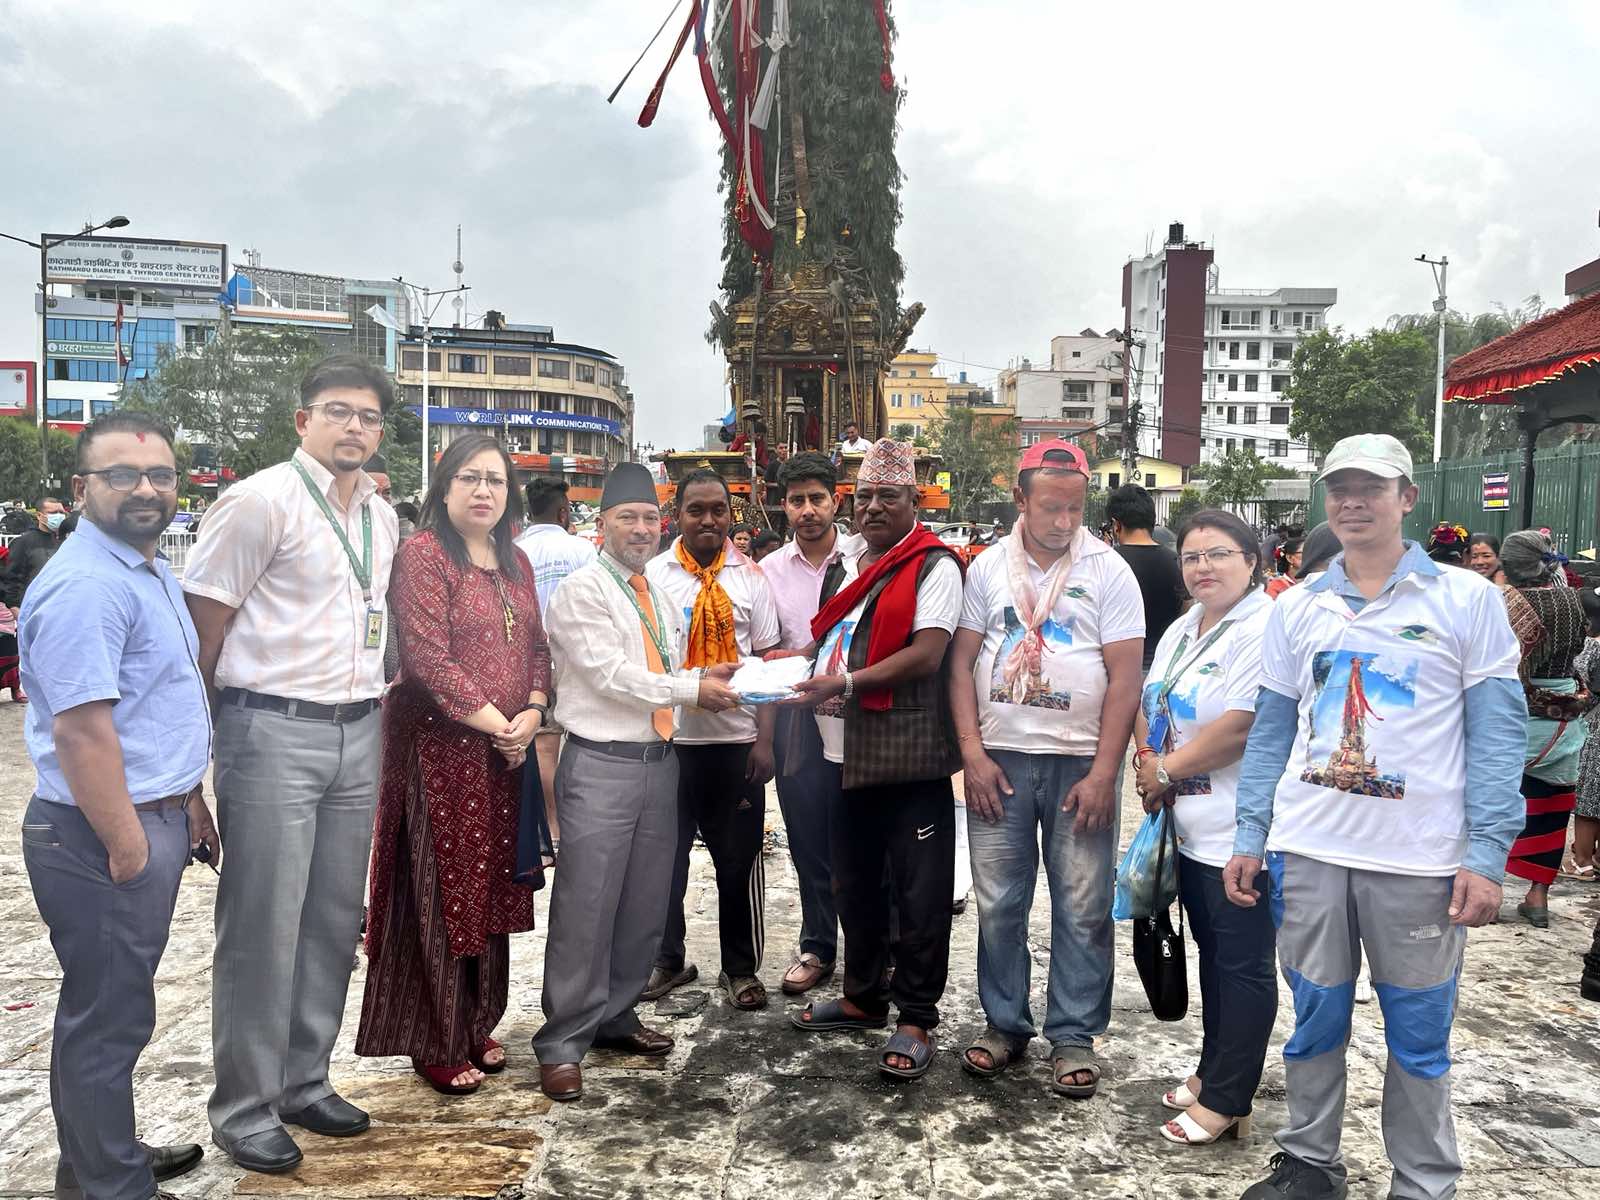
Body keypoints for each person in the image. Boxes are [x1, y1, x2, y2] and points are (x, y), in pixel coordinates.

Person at [1225, 433, 1525, 1200]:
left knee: (1420, 1036)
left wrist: (1488, 854)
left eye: (1372, 487)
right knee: (1316, 1017)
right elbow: (1272, 731)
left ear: (1407, 498)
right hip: (1311, 852)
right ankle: (1310, 1162)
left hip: (1420, 864)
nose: (1353, 502)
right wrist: (1252, 835)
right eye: (1340, 489)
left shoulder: (1467, 600)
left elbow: (1498, 734)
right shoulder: (1299, 607)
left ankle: (1424, 1182)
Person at [183, 353, 400, 1174]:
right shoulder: (257, 503)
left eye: (369, 416)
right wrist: (192, 772)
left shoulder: (381, 519)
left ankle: (306, 1079)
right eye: (338, 411)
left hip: (357, 728)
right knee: (262, 925)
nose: (355, 427)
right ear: (302, 419)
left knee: (334, 919)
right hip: (269, 730)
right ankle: (243, 1106)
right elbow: (199, 643)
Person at [19, 413, 216, 1200]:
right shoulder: (85, 585)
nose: (145, 489)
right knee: (106, 1018)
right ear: (80, 489)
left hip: (150, 812)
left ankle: (104, 1155)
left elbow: (157, 703)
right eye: (122, 475)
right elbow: (83, 732)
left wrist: (189, 797)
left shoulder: (144, 569)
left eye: (160, 475)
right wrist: (129, 845)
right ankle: (108, 1185)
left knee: (115, 1008)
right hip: (100, 831)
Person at [533, 462, 741, 1103]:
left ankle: (616, 1016)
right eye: (629, 517)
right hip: (600, 763)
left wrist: (720, 675)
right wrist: (690, 688)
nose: (642, 529)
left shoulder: (656, 593)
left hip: (660, 762)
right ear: (602, 526)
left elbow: (671, 667)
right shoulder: (584, 590)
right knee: (586, 904)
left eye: (651, 518)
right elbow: (608, 674)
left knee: (646, 901)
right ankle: (563, 1040)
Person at [947, 440, 1144, 1097]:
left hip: (1080, 763)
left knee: (1083, 904)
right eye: (1051, 508)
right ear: (1021, 501)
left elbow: (1124, 678)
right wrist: (971, 753)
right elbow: (960, 663)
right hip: (1000, 759)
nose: (1065, 522)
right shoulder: (986, 570)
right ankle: (1004, 1025)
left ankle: (1073, 1034)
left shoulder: (1110, 570)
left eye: (1076, 509)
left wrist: (1104, 770)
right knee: (1001, 901)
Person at [356, 435, 551, 1094]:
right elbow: (429, 658)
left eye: (495, 480)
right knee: (437, 892)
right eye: (469, 478)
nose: (483, 491)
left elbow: (539, 648)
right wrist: (503, 728)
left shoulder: (516, 561)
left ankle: (476, 1019)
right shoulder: (424, 557)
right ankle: (434, 1036)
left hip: (502, 757)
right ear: (444, 487)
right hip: (437, 754)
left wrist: (532, 710)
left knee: (491, 891)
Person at [787, 438, 964, 1083]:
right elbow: (830, 641)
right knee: (854, 883)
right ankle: (863, 996)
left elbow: (928, 654)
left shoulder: (933, 565)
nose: (872, 507)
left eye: (888, 496)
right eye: (864, 496)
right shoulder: (849, 564)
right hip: (841, 752)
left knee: (919, 893)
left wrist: (848, 683)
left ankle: (916, 1017)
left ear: (913, 500)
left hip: (908, 755)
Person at [1132, 510, 1275, 1145]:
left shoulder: (1263, 626)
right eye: (1191, 557)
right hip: (1185, 827)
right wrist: (1146, 764)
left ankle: (1229, 1097)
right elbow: (1149, 700)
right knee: (1213, 959)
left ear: (1252, 561)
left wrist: (1160, 770)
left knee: (1241, 965)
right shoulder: (1185, 628)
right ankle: (1214, 1068)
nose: (1203, 568)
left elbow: (1241, 726)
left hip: (1239, 831)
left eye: (1218, 554)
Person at [641, 470, 781, 1009]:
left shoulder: (750, 577)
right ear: (677, 515)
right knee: (664, 861)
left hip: (736, 745)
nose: (707, 520)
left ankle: (739, 968)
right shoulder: (653, 577)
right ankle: (666, 958)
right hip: (669, 745)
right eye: (695, 510)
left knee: (737, 862)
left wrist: (764, 742)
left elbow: (767, 666)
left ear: (731, 515)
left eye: (717, 510)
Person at [760, 452, 860, 995]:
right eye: (796, 500)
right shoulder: (770, 572)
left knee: (865, 841)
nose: (807, 510)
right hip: (799, 724)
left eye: (816, 498)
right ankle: (818, 945)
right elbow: (766, 650)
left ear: (835, 500)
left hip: (857, 720)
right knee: (807, 841)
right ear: (783, 507)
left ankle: (875, 952)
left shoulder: (865, 559)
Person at [1497, 530, 1591, 928]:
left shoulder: (1503, 603)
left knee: (1495, 806)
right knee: (1552, 808)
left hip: (1509, 715)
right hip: (1562, 721)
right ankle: (1537, 897)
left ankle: (1492, 888)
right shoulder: (1574, 599)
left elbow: (1502, 666)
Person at [515, 476, 598, 848]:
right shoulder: (581, 550)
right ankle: (575, 823)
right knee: (582, 745)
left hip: (530, 663)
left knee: (544, 747)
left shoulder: (513, 552)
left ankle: (551, 828)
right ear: (564, 512)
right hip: (578, 661)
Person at [1108, 484, 1186, 672]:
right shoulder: (1177, 562)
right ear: (1152, 521)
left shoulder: (1107, 563)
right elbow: (1187, 614)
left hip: (1118, 669)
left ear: (1116, 524)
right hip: (1164, 666)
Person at [2, 495, 69, 621]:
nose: (59, 516)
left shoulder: (66, 542)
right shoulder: (24, 542)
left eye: (61, 512)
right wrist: (16, 609)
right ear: (39, 516)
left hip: (60, 611)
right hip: (32, 611)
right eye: (53, 513)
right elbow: (12, 578)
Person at [1573, 589, 1600, 882]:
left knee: (1587, 801)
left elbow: (1581, 688)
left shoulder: (1590, 648)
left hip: (1594, 727)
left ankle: (1582, 861)